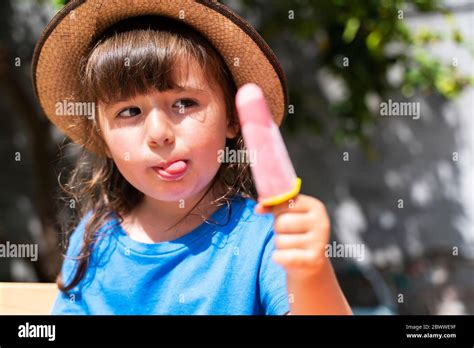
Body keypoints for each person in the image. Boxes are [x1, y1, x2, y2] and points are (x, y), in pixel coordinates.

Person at [32, 0, 351, 315]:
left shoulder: (267, 238)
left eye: (184, 103)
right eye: (130, 111)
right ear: (101, 135)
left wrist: (311, 274)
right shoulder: (93, 238)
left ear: (232, 119)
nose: (159, 133)